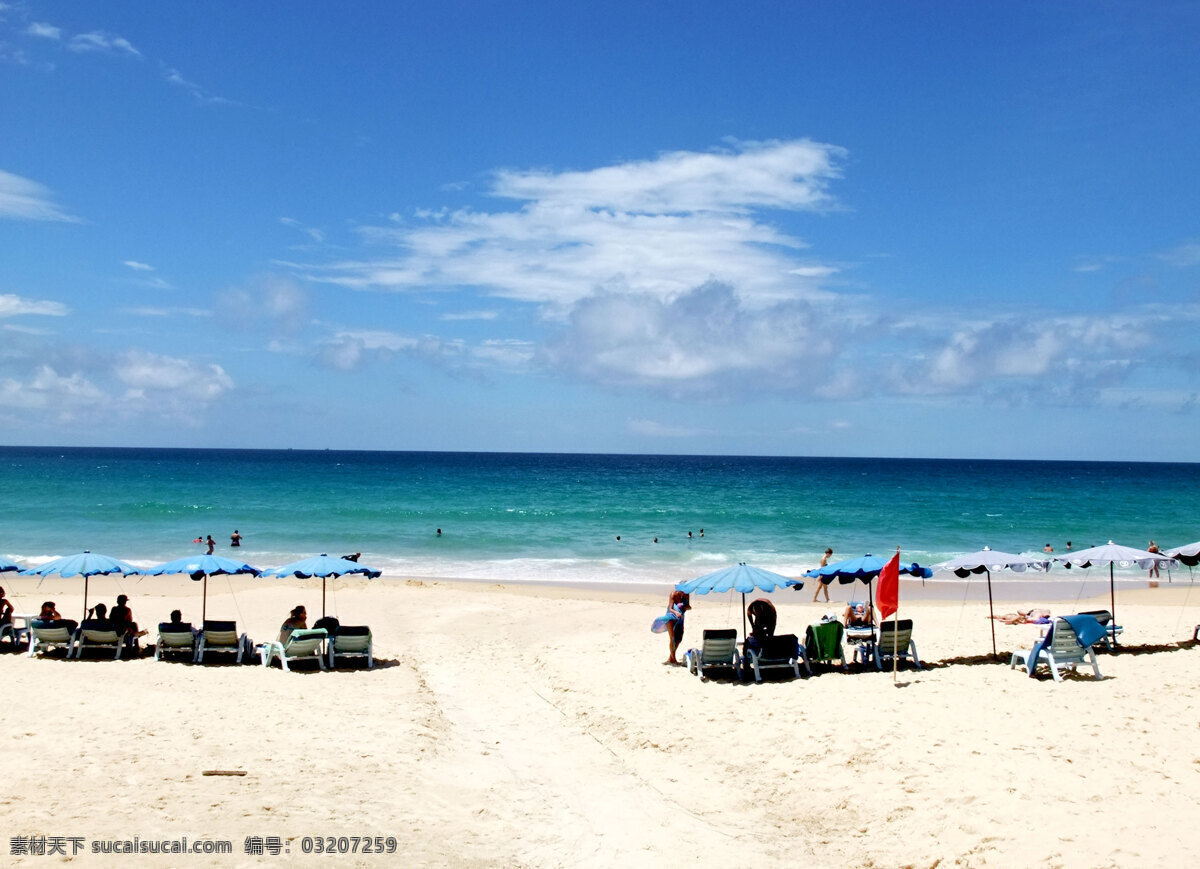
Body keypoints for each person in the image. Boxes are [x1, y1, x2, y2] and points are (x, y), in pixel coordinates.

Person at [659, 591, 690, 665]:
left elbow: (687, 606)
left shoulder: (686, 594)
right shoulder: (673, 594)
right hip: (670, 617)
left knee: (679, 638)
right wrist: (676, 612)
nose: (686, 592)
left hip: (680, 618)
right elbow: (670, 608)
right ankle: (674, 659)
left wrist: (687, 607)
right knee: (672, 639)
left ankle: (670, 658)